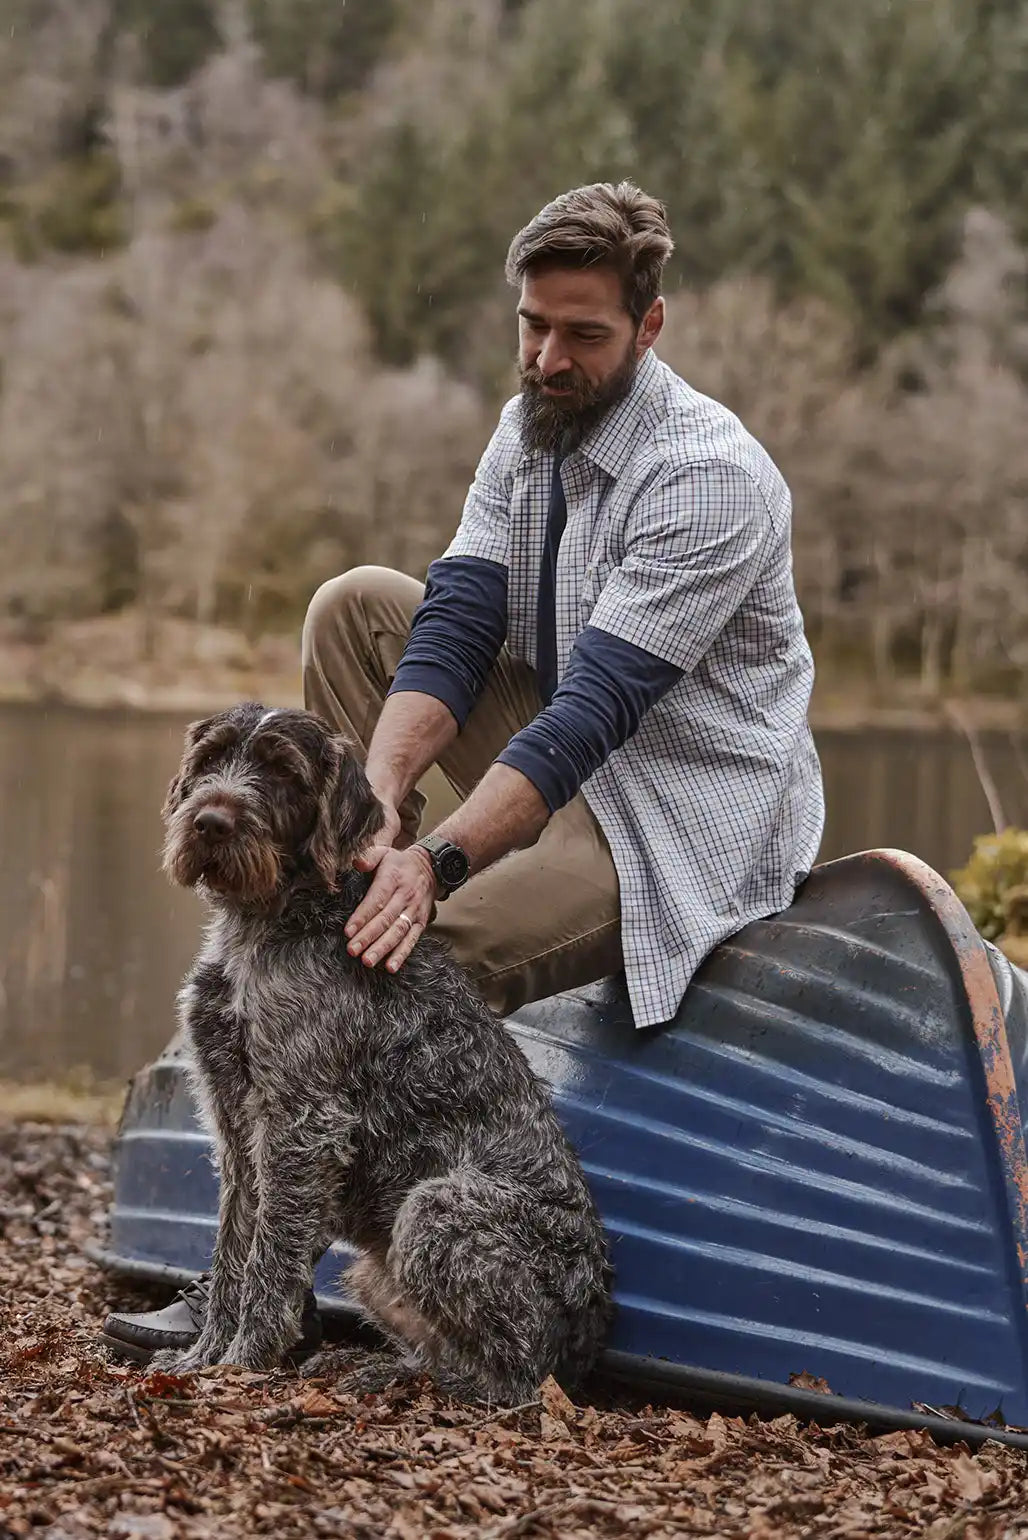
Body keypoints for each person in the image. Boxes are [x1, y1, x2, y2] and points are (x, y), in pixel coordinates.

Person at [100, 180, 824, 1364]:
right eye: (532, 326)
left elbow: (589, 715)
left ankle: (291, 1286)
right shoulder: (528, 421)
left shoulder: (707, 476)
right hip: (558, 746)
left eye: (582, 334)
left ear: (648, 327)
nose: (547, 358)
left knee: (401, 965)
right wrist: (382, 804)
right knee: (356, 606)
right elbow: (454, 625)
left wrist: (434, 865)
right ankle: (342, 869)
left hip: (674, 812)